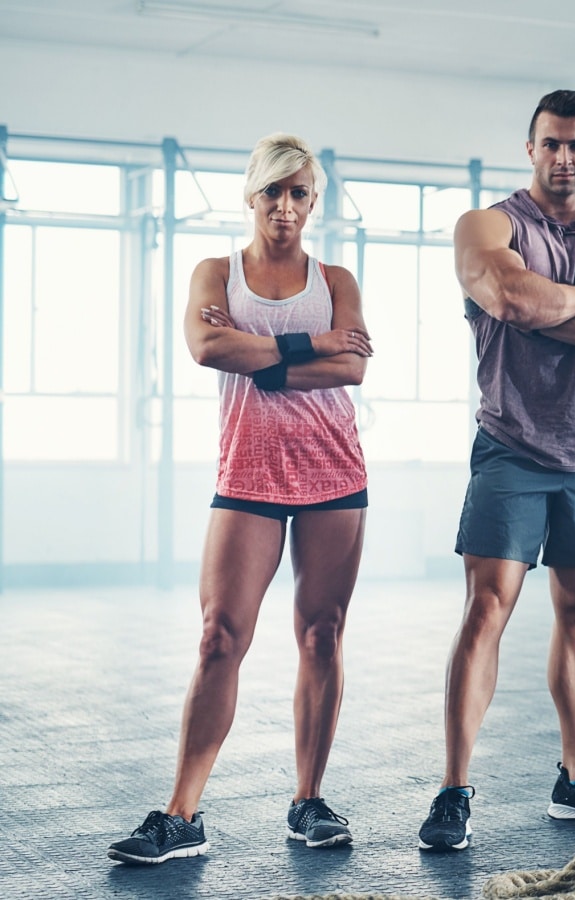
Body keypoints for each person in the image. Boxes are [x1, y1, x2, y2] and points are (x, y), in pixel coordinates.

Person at [109, 133, 373, 864]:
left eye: (298, 194)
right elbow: (206, 349)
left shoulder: (337, 278)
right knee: (219, 636)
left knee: (322, 634)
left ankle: (308, 801)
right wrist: (305, 346)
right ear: (250, 196)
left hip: (333, 474)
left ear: (313, 202)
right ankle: (182, 814)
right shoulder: (214, 272)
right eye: (272, 192)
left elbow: (351, 367)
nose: (284, 207)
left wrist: (270, 356)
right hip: (246, 476)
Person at [416, 89, 575, 852]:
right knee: (488, 608)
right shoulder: (488, 225)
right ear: (531, 149)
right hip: (512, 444)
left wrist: (558, 305)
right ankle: (454, 789)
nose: (564, 157)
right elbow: (510, 296)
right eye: (551, 143)